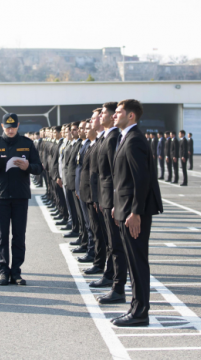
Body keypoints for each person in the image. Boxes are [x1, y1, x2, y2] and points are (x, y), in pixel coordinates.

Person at [110, 99, 163, 327]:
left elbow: (141, 180)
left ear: (131, 116)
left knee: (138, 263)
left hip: (133, 213)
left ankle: (140, 311)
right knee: (133, 262)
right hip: (125, 208)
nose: (115, 115)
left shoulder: (134, 140)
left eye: (119, 112)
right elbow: (125, 179)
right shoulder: (126, 138)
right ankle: (135, 307)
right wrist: (117, 205)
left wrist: (135, 212)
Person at [0, 113, 42, 285]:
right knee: (2, 236)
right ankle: (3, 271)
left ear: (18, 126)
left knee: (19, 235)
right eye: (7, 127)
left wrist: (28, 166)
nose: (10, 130)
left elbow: (39, 168)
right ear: (2, 126)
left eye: (13, 127)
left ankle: (16, 271)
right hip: (1, 196)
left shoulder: (27, 143)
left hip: (20, 196)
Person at [91, 101, 127, 304]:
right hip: (104, 198)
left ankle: (117, 284)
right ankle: (112, 277)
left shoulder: (113, 138)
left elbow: (114, 173)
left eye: (104, 113)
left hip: (111, 199)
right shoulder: (106, 137)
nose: (103, 116)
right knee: (111, 243)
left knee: (116, 244)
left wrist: (114, 202)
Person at [84, 112, 113, 277]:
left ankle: (110, 273)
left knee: (107, 238)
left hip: (103, 197)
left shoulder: (109, 139)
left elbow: (108, 173)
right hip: (94, 195)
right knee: (97, 232)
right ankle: (101, 264)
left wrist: (101, 198)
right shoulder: (98, 141)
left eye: (94, 118)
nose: (93, 120)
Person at [73, 120, 95, 262]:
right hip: (81, 188)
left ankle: (92, 251)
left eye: (85, 128)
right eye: (81, 128)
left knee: (91, 225)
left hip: (89, 191)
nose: (82, 131)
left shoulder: (89, 145)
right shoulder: (84, 144)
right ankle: (88, 247)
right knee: (86, 223)